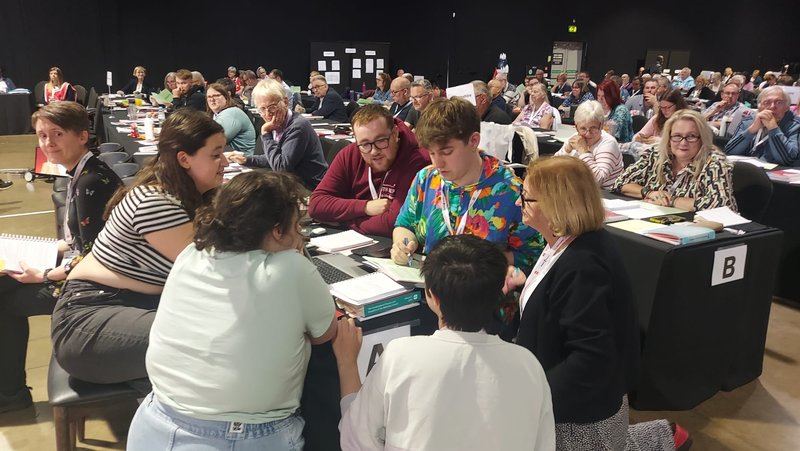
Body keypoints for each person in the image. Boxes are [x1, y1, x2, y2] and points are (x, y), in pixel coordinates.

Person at [126, 171, 336, 450]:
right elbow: (326, 334)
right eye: (297, 225)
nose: (300, 235)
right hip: (243, 437)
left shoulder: (192, 254)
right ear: (277, 231)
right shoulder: (292, 269)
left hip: (154, 424)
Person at [510, 156, 687, 451]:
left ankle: (661, 438)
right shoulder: (571, 241)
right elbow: (562, 300)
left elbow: (590, 359)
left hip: (581, 417)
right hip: (578, 397)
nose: (519, 203)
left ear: (556, 205)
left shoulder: (583, 265)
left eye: (525, 197)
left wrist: (533, 396)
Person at [50, 109, 228, 386]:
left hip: (127, 306)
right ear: (184, 159)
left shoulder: (182, 195)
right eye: (215, 155)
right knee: (220, 340)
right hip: (89, 321)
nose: (225, 162)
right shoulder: (157, 202)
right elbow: (215, 270)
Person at [333, 235, 555, 450]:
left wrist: (347, 364)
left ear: (431, 296)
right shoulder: (528, 366)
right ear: (499, 293)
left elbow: (356, 439)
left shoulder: (401, 356)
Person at [0, 102, 122, 413]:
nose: (48, 142)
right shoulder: (83, 173)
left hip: (97, 285)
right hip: (85, 267)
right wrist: (45, 249)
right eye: (42, 135)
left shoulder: (90, 182)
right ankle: (10, 393)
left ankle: (10, 395)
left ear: (82, 136)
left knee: (4, 304)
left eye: (57, 134)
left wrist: (43, 276)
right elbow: (79, 240)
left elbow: (95, 254)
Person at [391, 97, 543, 271]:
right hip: (430, 288)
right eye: (431, 153)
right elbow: (405, 224)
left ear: (473, 141)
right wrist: (401, 245)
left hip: (482, 294)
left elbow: (533, 256)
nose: (438, 163)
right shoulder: (426, 178)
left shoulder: (510, 190)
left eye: (446, 152)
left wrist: (478, 262)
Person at [309, 104, 430, 237]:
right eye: (365, 144)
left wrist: (343, 220)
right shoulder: (350, 153)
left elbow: (393, 223)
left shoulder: (418, 161)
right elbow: (316, 204)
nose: (374, 151)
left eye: (381, 140)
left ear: (395, 134)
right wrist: (365, 207)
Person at [612, 109, 737, 212]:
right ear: (669, 137)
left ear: (702, 138)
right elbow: (620, 183)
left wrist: (671, 200)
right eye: (677, 136)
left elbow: (722, 205)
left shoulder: (715, 163)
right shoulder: (655, 154)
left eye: (691, 136)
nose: (683, 143)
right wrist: (650, 193)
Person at [228, 79, 328, 191]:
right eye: (262, 109)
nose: (267, 114)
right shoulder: (277, 123)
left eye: (272, 107)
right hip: (293, 183)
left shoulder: (297, 126)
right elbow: (274, 158)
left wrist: (266, 133)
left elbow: (281, 167)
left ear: (285, 102)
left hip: (310, 188)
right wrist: (247, 160)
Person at [726, 86, 800, 166]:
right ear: (759, 107)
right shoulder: (749, 120)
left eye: (779, 102)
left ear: (787, 107)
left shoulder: (795, 125)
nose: (772, 106)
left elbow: (788, 159)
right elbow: (730, 151)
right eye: (767, 102)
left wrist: (773, 129)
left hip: (776, 175)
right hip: (746, 170)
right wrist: (751, 131)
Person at [555, 100, 623, 189]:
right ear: (576, 127)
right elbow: (553, 169)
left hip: (605, 195)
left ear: (601, 125)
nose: (588, 134)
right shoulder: (575, 137)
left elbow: (597, 181)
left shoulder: (609, 143)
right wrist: (567, 151)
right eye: (583, 128)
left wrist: (584, 152)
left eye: (593, 128)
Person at [621, 89, 689, 159]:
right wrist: (640, 138)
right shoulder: (657, 118)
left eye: (668, 107)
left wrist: (657, 141)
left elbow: (678, 144)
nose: (664, 111)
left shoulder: (685, 121)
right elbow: (638, 135)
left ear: (678, 105)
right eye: (662, 107)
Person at [205, 82, 256, 155]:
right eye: (209, 97)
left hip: (242, 162)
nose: (212, 99)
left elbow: (215, 141)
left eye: (216, 96)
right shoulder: (216, 114)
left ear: (226, 97)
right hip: (228, 158)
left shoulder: (231, 113)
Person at [597, 79, 633, 143]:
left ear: (613, 96)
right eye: (598, 96)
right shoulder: (598, 108)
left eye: (604, 96)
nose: (600, 99)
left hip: (620, 147)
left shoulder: (621, 111)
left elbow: (614, 136)